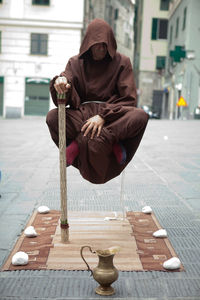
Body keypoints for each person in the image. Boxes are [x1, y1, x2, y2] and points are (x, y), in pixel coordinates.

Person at [46, 18, 149, 184]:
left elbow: (128, 99)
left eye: (104, 45)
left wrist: (103, 117)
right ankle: (112, 142)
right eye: (96, 44)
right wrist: (61, 82)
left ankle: (79, 145)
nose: (100, 49)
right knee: (53, 117)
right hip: (83, 115)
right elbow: (67, 78)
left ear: (110, 44)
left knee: (141, 116)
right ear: (88, 44)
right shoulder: (75, 62)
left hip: (112, 115)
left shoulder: (123, 62)